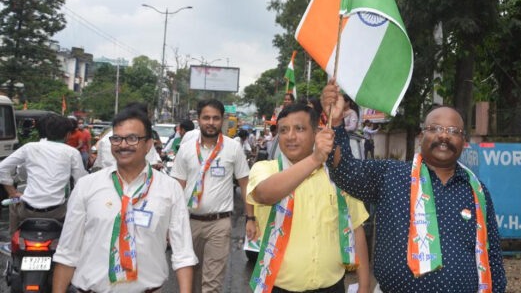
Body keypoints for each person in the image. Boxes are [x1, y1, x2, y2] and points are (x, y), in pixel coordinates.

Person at [321, 80, 507, 292]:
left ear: (464, 141)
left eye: (453, 130)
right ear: (421, 137)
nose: (444, 135)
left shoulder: (476, 191)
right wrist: (335, 122)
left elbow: (492, 258)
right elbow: (345, 171)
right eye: (435, 128)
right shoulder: (390, 175)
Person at [52, 106, 197, 292]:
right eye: (117, 139)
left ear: (148, 144)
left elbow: (183, 254)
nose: (123, 145)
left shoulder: (170, 189)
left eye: (132, 138)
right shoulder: (86, 186)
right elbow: (67, 253)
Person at [246, 103, 370, 293]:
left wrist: (364, 285)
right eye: (284, 130)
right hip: (277, 288)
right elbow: (264, 194)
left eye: (300, 129)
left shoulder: (337, 177)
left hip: (332, 287)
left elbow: (356, 229)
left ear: (316, 133)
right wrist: (315, 159)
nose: (291, 136)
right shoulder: (265, 169)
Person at [170, 99, 256, 293]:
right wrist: (170, 222)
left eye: (215, 118)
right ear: (198, 119)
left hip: (219, 223)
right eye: (206, 117)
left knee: (212, 283)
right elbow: (177, 188)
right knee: (189, 280)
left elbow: (245, 184)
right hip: (188, 222)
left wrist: (251, 218)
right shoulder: (186, 149)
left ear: (222, 120)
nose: (211, 122)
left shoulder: (233, 148)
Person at [0, 114, 87, 233]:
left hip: (28, 211)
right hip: (58, 212)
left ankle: (14, 239)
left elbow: (2, 168)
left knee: (13, 203)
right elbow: (80, 182)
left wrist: (12, 192)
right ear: (67, 134)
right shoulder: (72, 152)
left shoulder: (29, 148)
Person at [92, 103, 162, 171]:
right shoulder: (143, 139)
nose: (123, 145)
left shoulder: (105, 138)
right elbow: (152, 166)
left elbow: (98, 165)